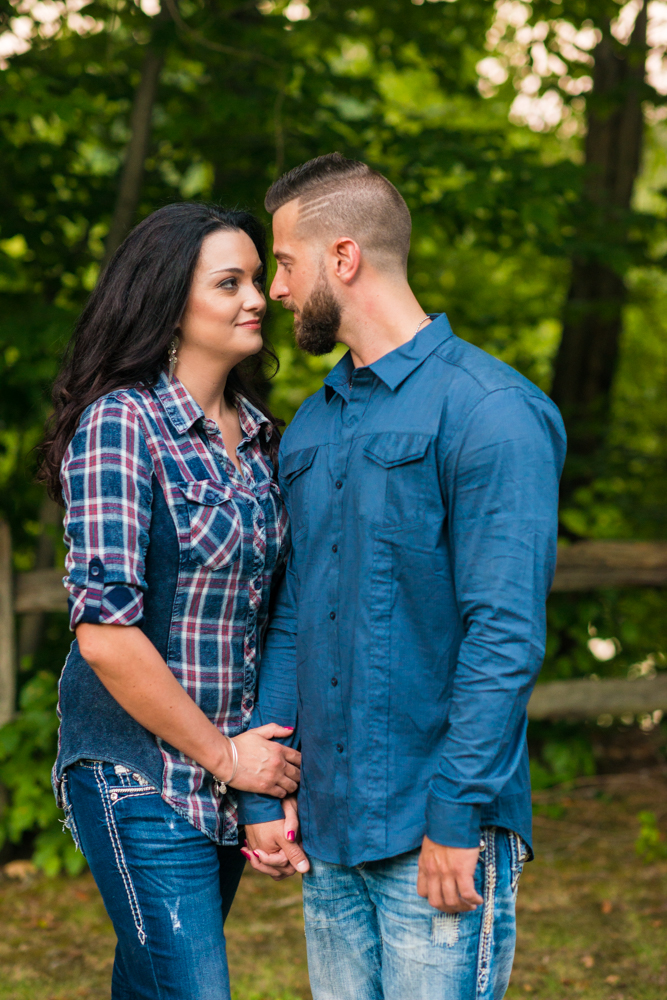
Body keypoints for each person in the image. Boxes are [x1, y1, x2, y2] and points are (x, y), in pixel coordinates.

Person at [238, 154, 567, 1000]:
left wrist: (456, 814)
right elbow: (292, 614)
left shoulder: (491, 411)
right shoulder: (311, 425)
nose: (274, 289)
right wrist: (267, 795)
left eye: (282, 261)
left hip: (437, 828)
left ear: (342, 258)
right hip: (332, 832)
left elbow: (504, 634)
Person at [40, 203, 302, 1000]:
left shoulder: (262, 439)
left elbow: (273, 615)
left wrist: (248, 775)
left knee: (152, 984)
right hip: (139, 772)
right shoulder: (122, 424)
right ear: (167, 303)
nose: (256, 297)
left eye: (257, 278)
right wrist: (226, 759)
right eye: (230, 283)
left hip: (224, 779)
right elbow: (106, 637)